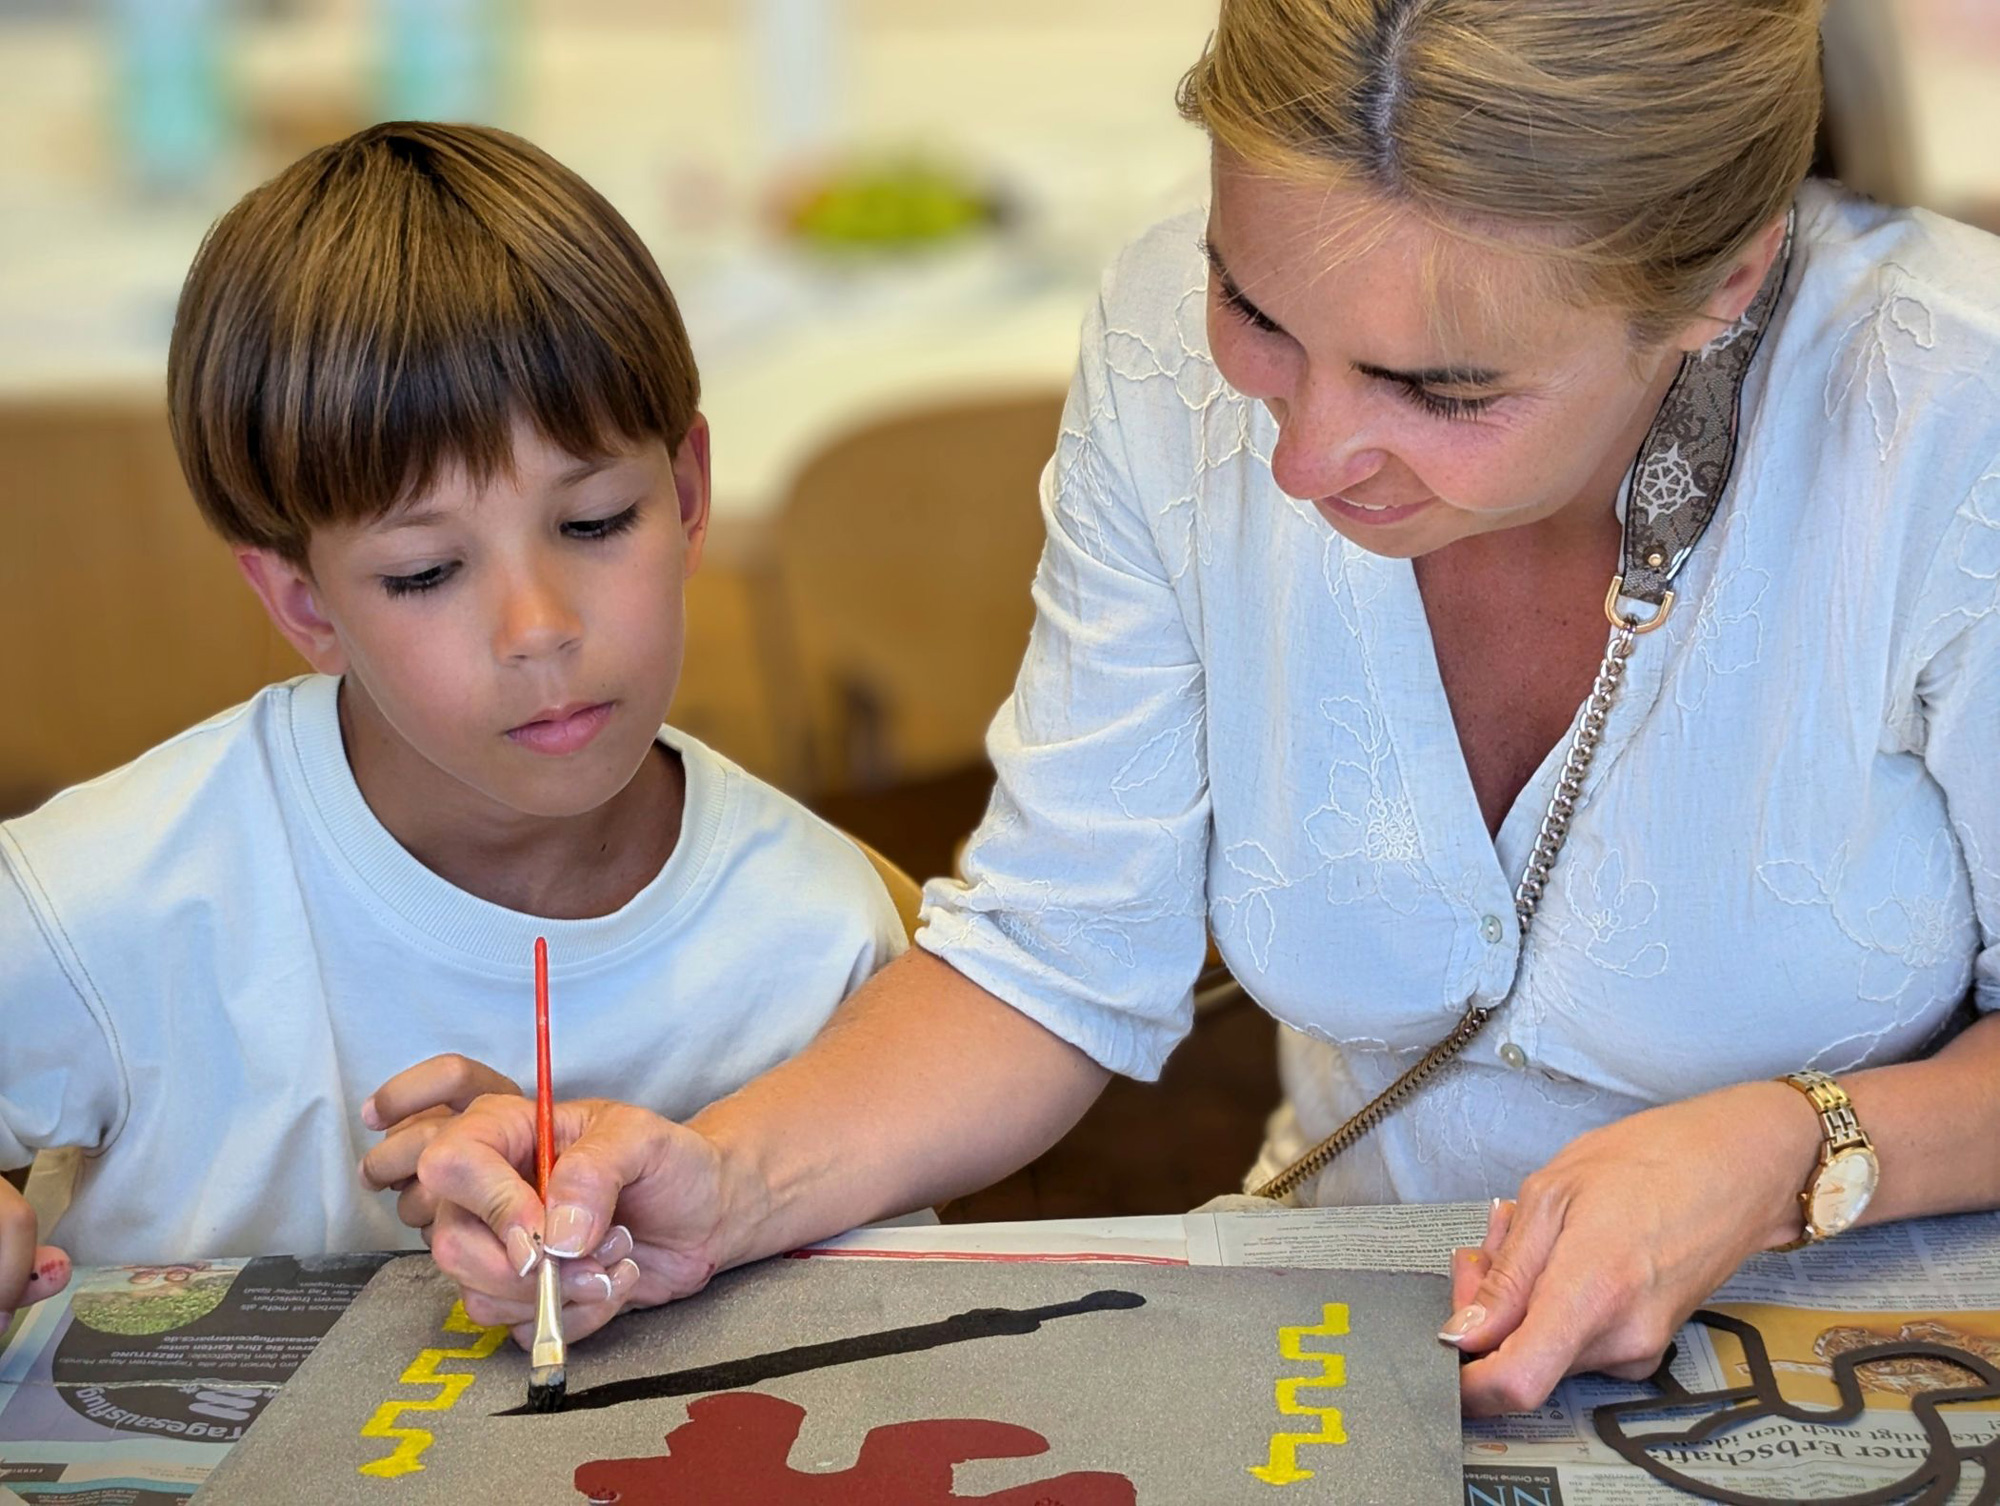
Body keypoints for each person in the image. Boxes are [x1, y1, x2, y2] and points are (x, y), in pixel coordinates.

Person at [414, 0, 2000, 1415]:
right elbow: (1055, 950)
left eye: (1439, 392)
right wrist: (721, 1178)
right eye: (1259, 314)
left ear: (1721, 286)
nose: (1302, 460)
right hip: (1352, 1373)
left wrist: (1791, 1151)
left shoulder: (1952, 419)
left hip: (1882, 1369)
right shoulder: (1161, 343)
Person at [0, 123, 906, 1329]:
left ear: (686, 496)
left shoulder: (817, 938)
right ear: (302, 601)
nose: (537, 628)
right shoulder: (113, 894)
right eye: (426, 573)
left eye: (593, 523)